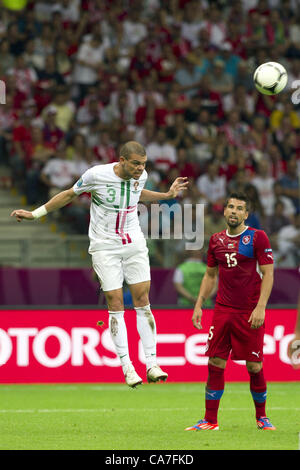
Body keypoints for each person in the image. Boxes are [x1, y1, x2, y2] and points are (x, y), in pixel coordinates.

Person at [10, 140, 188, 388]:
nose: (140, 169)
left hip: (134, 241)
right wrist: (35, 214)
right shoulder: (96, 174)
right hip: (105, 246)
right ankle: (127, 367)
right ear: (122, 160)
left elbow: (137, 193)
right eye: (136, 164)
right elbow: (69, 194)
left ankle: (152, 363)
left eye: (143, 165)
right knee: (115, 302)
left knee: (143, 300)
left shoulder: (142, 175)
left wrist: (166, 195)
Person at [185, 192, 276, 431]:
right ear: (224, 211)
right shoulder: (215, 240)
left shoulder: (257, 238)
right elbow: (210, 275)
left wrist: (261, 307)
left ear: (246, 214)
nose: (234, 211)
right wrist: (199, 303)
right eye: (230, 207)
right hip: (223, 310)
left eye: (239, 208)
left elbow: (268, 274)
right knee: (215, 361)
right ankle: (210, 420)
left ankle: (262, 417)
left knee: (254, 366)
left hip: (249, 310)